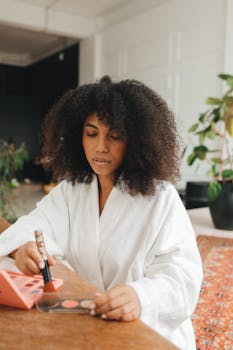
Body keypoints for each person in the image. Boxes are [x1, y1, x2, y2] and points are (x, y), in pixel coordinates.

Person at [0, 75, 203, 349]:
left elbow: (182, 276)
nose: (101, 147)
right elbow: (35, 225)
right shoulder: (72, 190)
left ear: (137, 140)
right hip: (85, 322)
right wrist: (24, 248)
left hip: (145, 330)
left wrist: (141, 297)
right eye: (91, 133)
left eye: (115, 136)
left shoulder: (161, 199)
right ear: (77, 135)